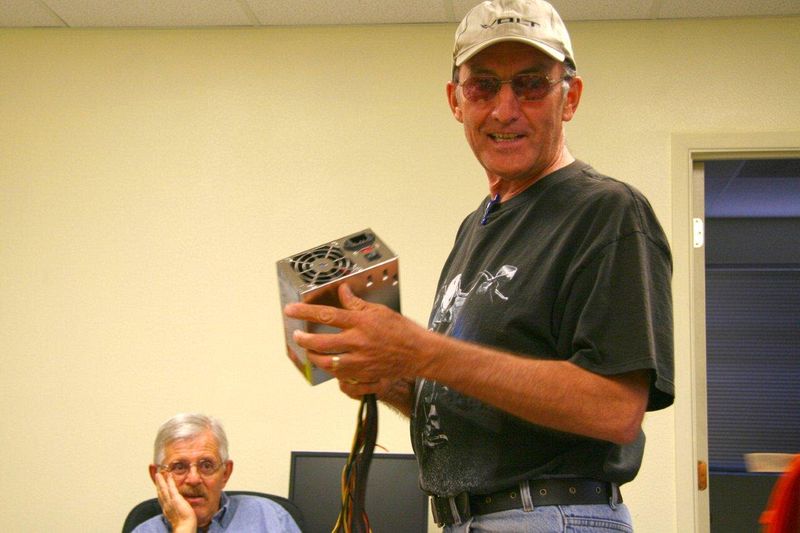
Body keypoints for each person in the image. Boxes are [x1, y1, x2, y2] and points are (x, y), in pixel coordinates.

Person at [283, 0, 674, 530]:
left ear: (570, 97)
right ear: (456, 101)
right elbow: (467, 399)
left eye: (531, 85)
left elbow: (615, 409)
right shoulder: (475, 229)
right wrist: (386, 377)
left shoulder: (607, 211)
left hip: (548, 515)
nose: (504, 110)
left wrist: (421, 350)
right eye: (483, 87)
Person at [133, 413, 300, 533]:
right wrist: (184, 527)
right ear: (157, 476)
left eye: (206, 465)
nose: (193, 479)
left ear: (225, 473)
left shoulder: (270, 518)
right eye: (179, 467)